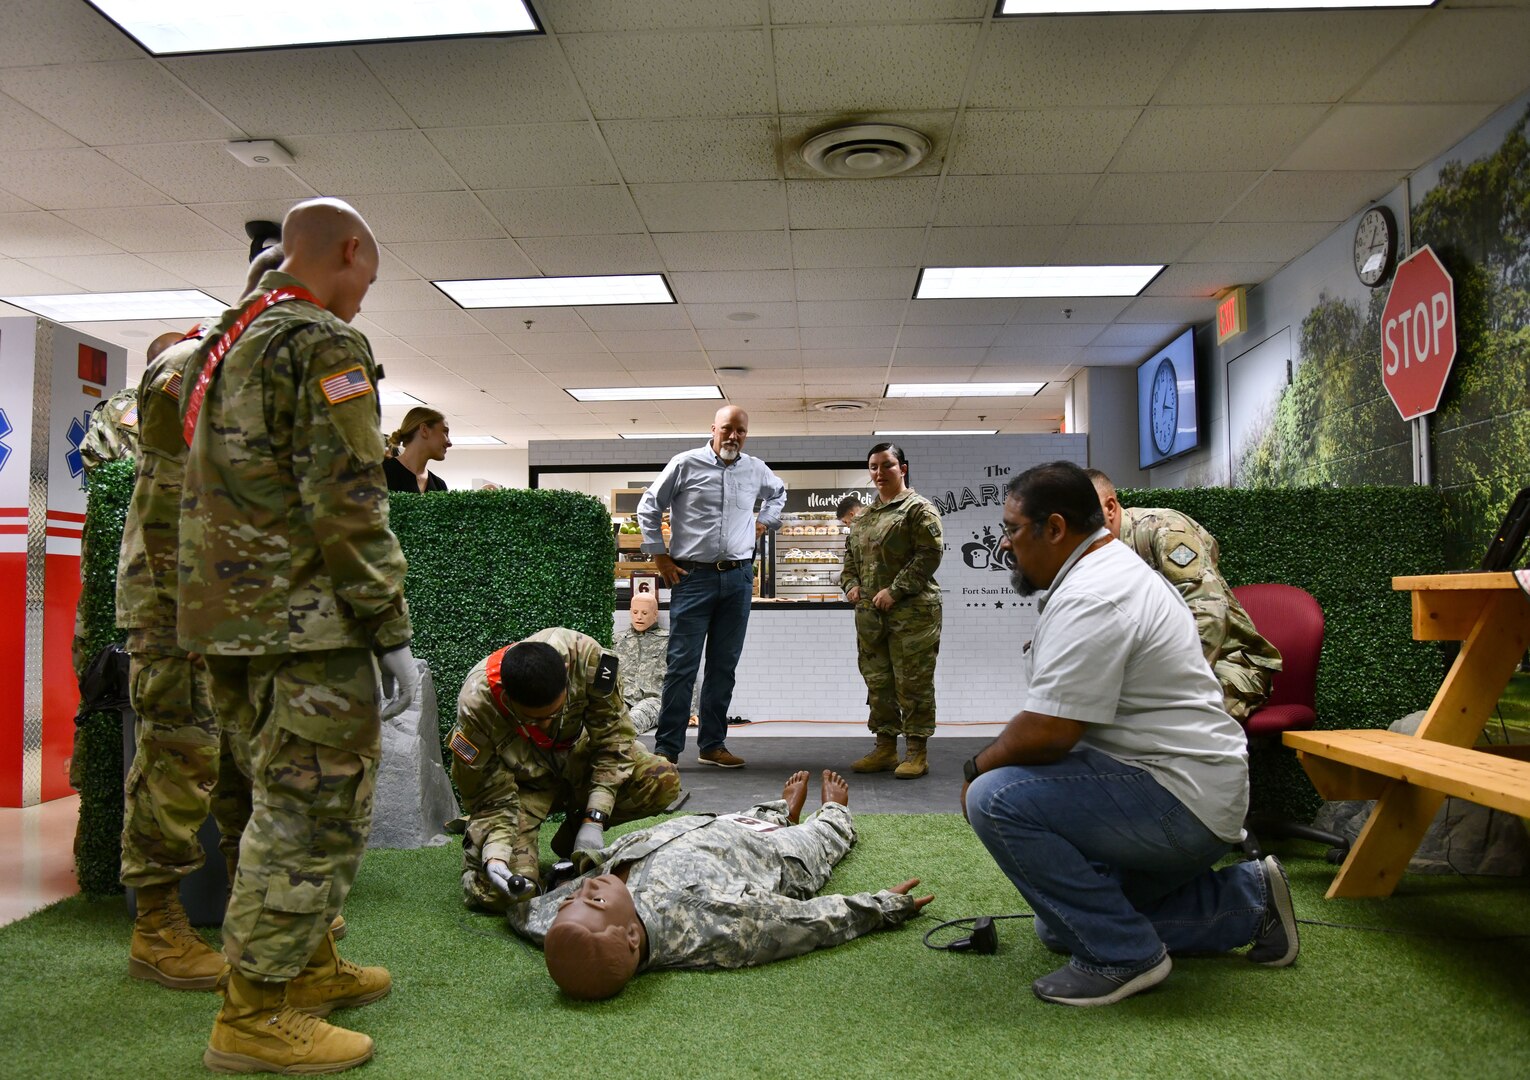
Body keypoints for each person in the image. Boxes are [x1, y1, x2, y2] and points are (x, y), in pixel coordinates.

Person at [180, 198, 415, 1073]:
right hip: (307, 626)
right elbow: (349, 494)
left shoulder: (220, 340)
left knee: (266, 803)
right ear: (348, 251)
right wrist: (387, 624)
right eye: (366, 279)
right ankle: (254, 1015)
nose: (361, 300)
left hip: (225, 623)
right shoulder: (323, 342)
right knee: (309, 815)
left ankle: (306, 966)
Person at [961, 462, 1298, 1008]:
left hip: (1177, 801)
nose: (1005, 544)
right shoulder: (1099, 571)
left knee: (994, 797)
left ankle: (1122, 956)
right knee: (1059, 926)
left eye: (1013, 529)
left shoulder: (1096, 592)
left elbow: (1051, 731)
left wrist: (978, 765)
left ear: (1054, 528)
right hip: (1178, 787)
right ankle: (1251, 899)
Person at [117, 251, 288, 992]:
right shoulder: (189, 363)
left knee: (245, 762)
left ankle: (255, 909)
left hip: (234, 606)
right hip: (173, 603)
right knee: (179, 756)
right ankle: (157, 926)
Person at [507, 769, 933, 999]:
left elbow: (527, 910)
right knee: (818, 841)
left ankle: (779, 809)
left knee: (744, 818)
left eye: (574, 900)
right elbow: (801, 923)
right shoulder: (711, 922)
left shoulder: (552, 924)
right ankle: (832, 813)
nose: (585, 890)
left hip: (704, 832)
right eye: (593, 900)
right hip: (770, 861)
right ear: (633, 937)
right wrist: (877, 907)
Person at [451, 629, 681, 909]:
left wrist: (594, 819)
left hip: (578, 761)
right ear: (508, 701)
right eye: (535, 721)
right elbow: (490, 797)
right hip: (522, 791)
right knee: (497, 892)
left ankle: (574, 838)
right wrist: (496, 853)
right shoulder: (477, 705)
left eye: (554, 713)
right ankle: (506, 854)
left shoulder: (586, 658)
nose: (547, 725)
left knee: (660, 780)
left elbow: (614, 742)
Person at [637, 405, 786, 768]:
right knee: (681, 666)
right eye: (727, 429)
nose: (733, 436)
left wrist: (764, 521)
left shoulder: (754, 468)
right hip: (692, 577)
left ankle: (712, 745)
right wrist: (659, 556)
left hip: (737, 579)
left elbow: (779, 492)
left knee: (724, 666)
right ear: (713, 429)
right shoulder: (685, 463)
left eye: (741, 431)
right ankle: (667, 750)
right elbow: (648, 507)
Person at [1085, 470, 1282, 722]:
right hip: (1150, 673)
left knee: (1163, 725)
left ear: (1109, 507)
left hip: (1228, 664)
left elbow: (1207, 615)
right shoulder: (1098, 557)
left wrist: (1160, 690)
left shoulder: (1164, 530)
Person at [840, 443, 944, 779]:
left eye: (887, 465)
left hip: (912, 613)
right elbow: (850, 561)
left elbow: (929, 556)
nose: (880, 473)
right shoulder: (864, 518)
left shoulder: (919, 510)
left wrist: (895, 591)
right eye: (873, 467)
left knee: (912, 682)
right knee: (878, 682)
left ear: (903, 468)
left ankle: (916, 751)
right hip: (870, 616)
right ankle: (885, 748)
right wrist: (850, 585)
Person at [611, 593, 666, 734]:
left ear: (655, 614)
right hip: (623, 699)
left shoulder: (668, 641)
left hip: (654, 700)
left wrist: (690, 711)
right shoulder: (617, 640)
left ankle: (616, 738)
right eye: (635, 612)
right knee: (602, 717)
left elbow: (683, 675)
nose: (639, 617)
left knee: (634, 720)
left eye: (644, 612)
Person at [383, 406, 450, 492]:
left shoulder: (439, 486)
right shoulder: (381, 474)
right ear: (424, 430)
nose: (449, 443)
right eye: (445, 432)